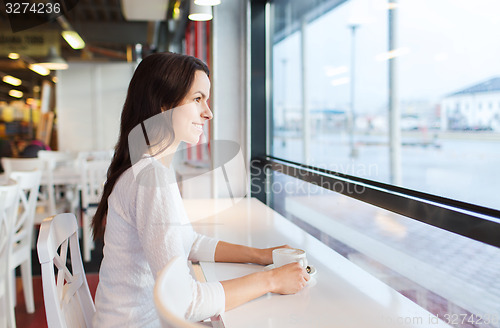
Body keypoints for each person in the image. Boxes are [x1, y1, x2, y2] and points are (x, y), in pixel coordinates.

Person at [92, 52, 309, 327]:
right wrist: (271, 280)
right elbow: (183, 301)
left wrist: (261, 256)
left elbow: (189, 242)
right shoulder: (150, 178)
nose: (208, 112)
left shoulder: (151, 169)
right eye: (197, 99)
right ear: (163, 105)